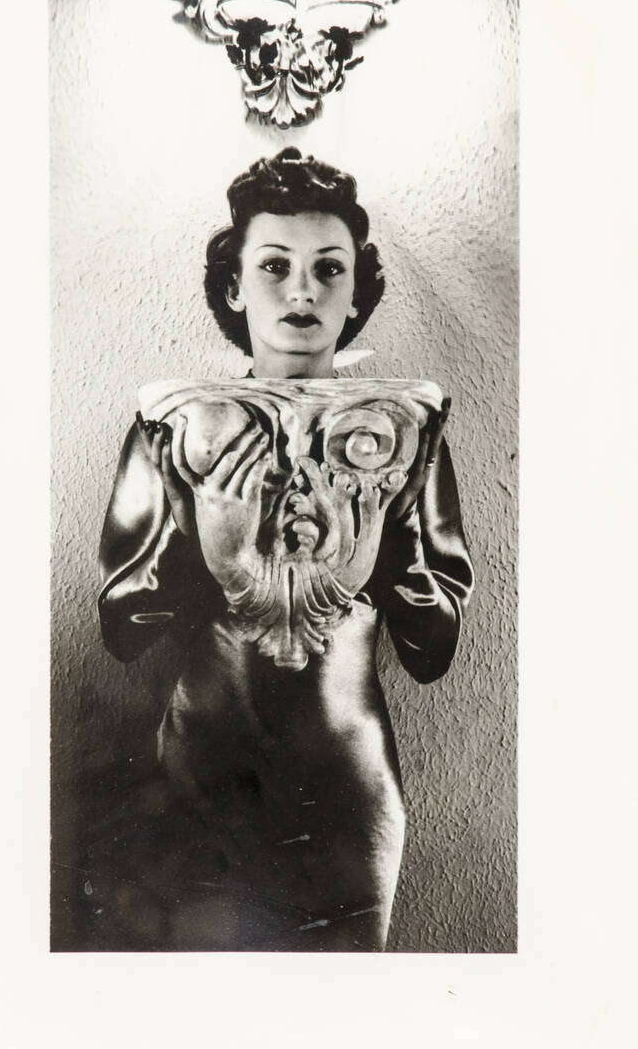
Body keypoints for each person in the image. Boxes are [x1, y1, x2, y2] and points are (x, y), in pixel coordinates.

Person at [93, 148, 474, 952]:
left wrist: (377, 540)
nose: (302, 290)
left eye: (329, 269)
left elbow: (433, 649)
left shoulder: (403, 431)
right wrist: (204, 539)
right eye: (275, 266)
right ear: (234, 286)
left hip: (345, 785)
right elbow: (120, 628)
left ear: (357, 292)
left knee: (340, 1002)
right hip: (201, 775)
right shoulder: (176, 426)